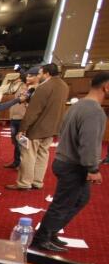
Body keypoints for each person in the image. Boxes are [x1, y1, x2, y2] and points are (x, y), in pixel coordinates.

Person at [31, 72, 107, 252]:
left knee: (80, 198)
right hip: (74, 165)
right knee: (64, 202)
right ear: (106, 87)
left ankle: (51, 231)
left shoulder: (77, 105)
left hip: (65, 160)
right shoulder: (94, 111)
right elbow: (88, 142)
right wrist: (93, 168)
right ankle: (42, 237)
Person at [6, 63, 70, 191]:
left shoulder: (44, 87)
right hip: (52, 127)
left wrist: (23, 128)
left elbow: (34, 111)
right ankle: (37, 182)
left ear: (47, 73)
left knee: (28, 155)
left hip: (37, 128)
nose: (39, 76)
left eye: (40, 73)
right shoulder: (64, 86)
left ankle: (24, 183)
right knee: (43, 155)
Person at [5, 67, 39, 169]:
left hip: (22, 118)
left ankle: (24, 163)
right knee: (16, 142)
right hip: (14, 117)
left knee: (23, 143)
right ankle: (16, 162)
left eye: (30, 76)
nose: (27, 78)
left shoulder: (33, 89)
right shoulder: (21, 86)